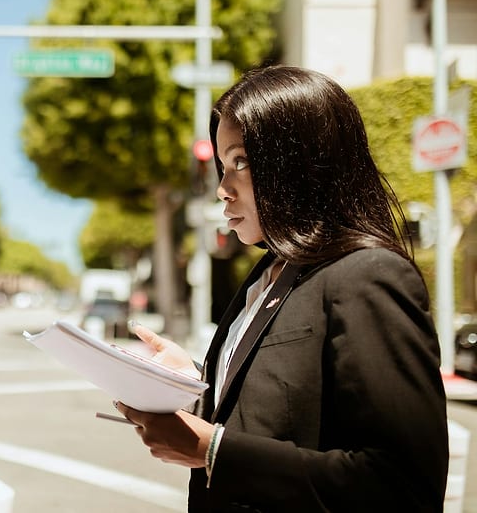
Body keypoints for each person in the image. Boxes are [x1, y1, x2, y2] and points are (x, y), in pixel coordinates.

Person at [115, 65, 449, 512]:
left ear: (301, 163)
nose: (222, 189)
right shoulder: (269, 271)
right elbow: (283, 401)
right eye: (221, 165)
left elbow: (402, 483)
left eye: (241, 162)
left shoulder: (368, 275)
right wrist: (196, 386)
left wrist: (214, 451)